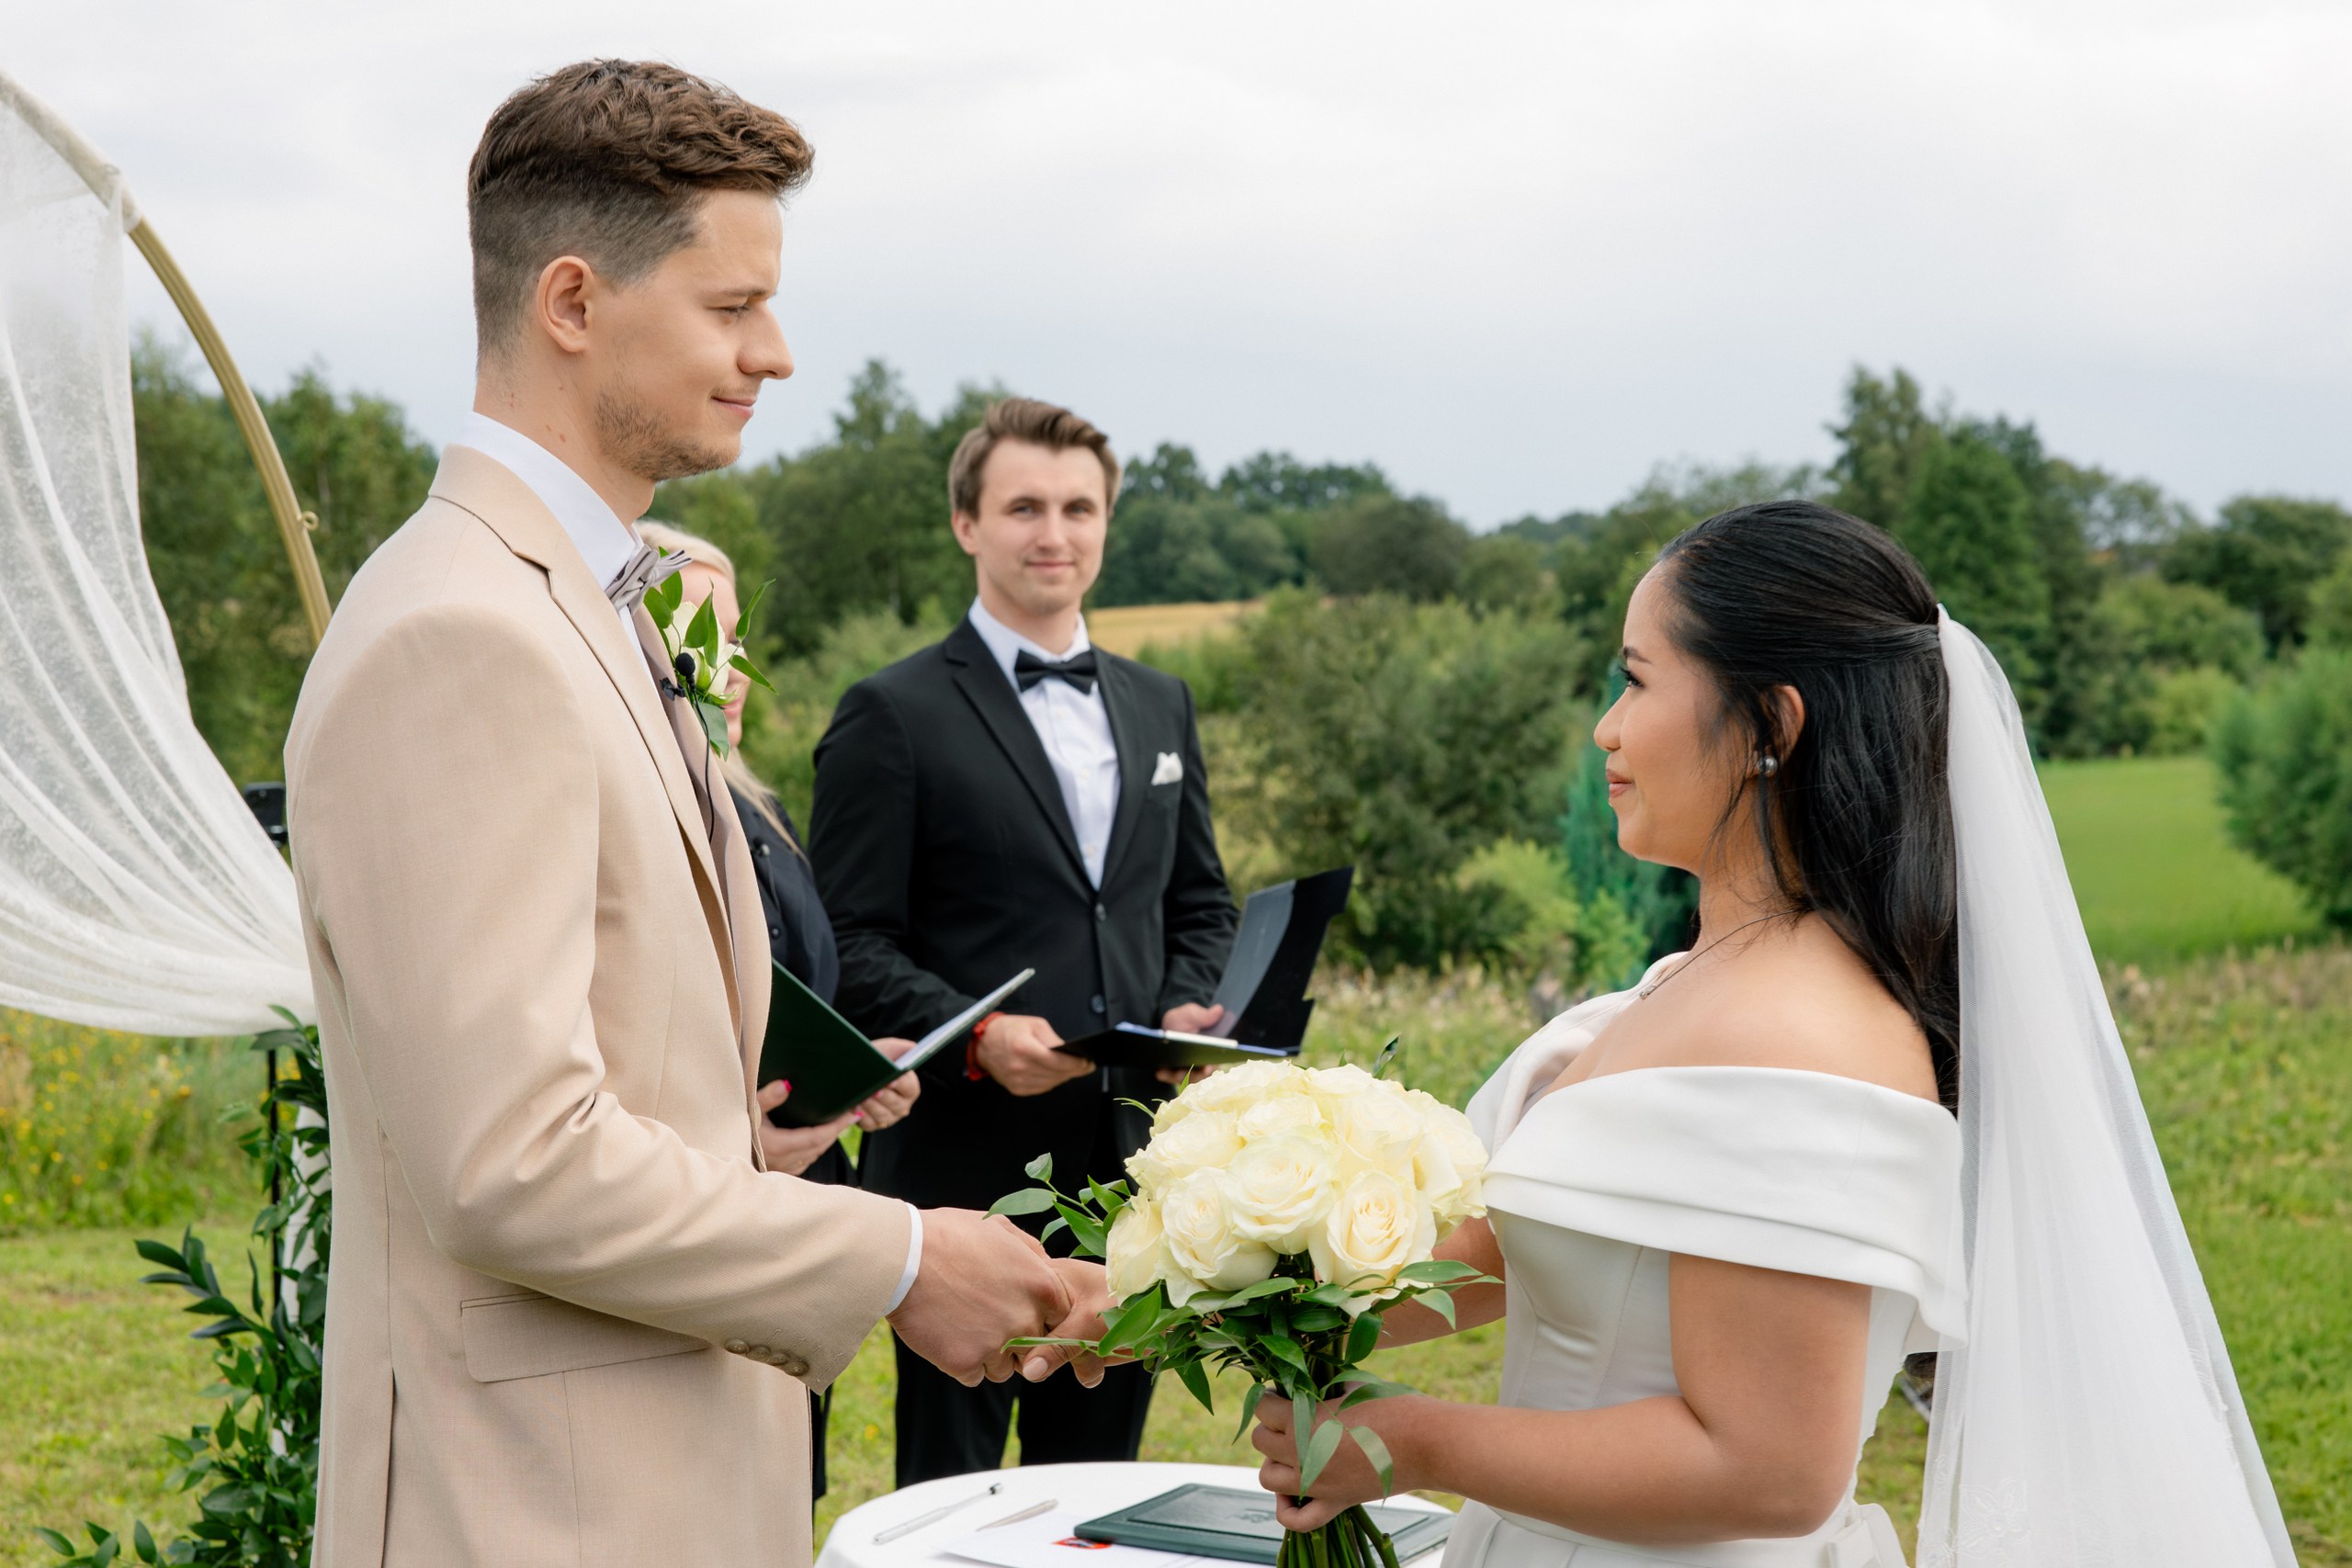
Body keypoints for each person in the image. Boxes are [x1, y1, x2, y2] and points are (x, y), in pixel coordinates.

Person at [284, 62, 1090, 1565]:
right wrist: (903, 1254)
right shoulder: (457, 633)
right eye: (732, 307)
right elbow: (508, 1161)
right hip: (541, 1506)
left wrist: (733, 1138)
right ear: (575, 303)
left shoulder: (582, 599)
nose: (775, 354)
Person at [1226, 502, 2296, 1566]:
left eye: (1637, 681)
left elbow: (1768, 1469)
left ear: (1771, 727)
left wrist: (1411, 1439)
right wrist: (1165, 1291)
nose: (1606, 727)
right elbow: (1532, 1255)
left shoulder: (1804, 1037)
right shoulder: (1695, 983)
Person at [809, 396, 1239, 1485]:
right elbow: (845, 944)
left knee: (1100, 1487)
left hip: (1137, 1172)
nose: (1055, 532)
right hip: (965, 1175)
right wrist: (976, 1035)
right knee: (957, 1496)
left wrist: (1190, 1009)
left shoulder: (1160, 704)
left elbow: (1197, 904)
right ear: (967, 524)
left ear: (1106, 523)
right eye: (1025, 507)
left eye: (1079, 508)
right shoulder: (890, 712)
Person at [637, 521, 918, 1508]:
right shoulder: (631, 816)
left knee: (784, 1484)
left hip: (807, 1200)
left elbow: (788, 988)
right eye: (693, 638)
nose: (730, 668)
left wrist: (853, 1067)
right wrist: (739, 1136)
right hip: (704, 1212)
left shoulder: (757, 810)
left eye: (738, 638)